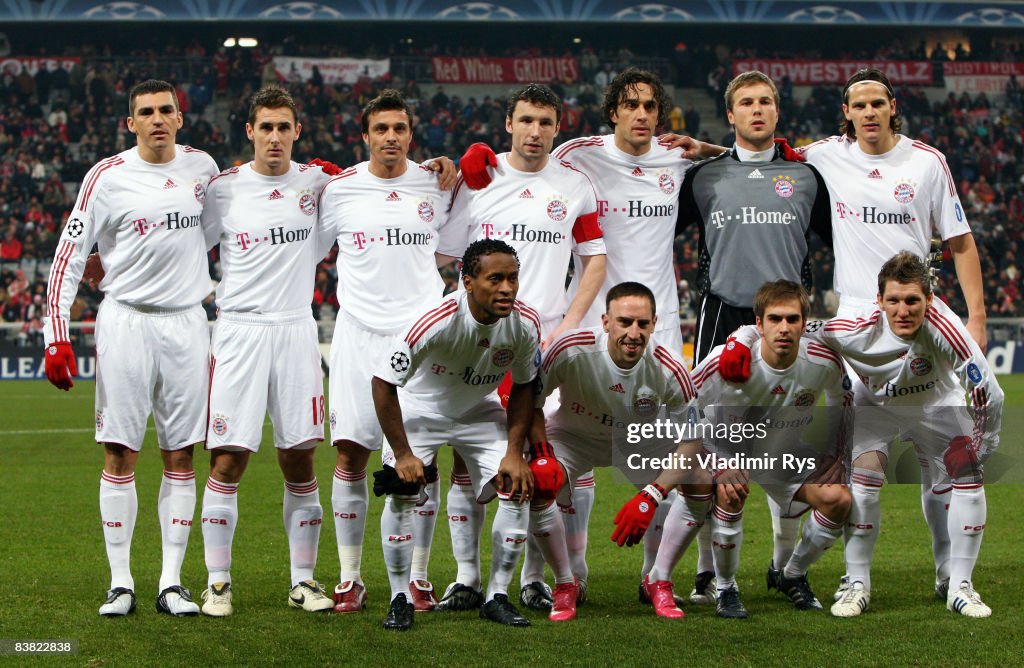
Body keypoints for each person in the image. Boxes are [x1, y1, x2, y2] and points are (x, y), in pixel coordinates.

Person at [725, 252, 1002, 618]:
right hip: (877, 407)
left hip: (936, 405)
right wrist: (741, 339)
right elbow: (790, 327)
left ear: (929, 300)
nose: (903, 310)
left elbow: (990, 393)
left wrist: (980, 448)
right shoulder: (851, 328)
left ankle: (959, 586)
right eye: (894, 300)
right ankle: (856, 582)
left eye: (912, 301)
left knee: (967, 473)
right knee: (865, 482)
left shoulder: (945, 328)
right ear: (879, 301)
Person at [43, 79, 218, 617]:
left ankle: (171, 583)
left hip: (188, 323)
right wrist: (57, 335)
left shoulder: (203, 169)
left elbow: (219, 229)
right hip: (126, 324)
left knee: (181, 454)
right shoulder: (107, 176)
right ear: (131, 122)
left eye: (167, 110)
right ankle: (121, 583)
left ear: (180, 119)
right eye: (146, 112)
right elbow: (70, 254)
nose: (158, 119)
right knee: (120, 451)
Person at [437, 83, 606, 612]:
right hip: (480, 342)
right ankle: (467, 577)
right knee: (469, 460)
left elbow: (594, 259)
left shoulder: (574, 185)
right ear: (508, 123)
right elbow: (444, 252)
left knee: (551, 460)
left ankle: (540, 576)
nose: (535, 132)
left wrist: (568, 327)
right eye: (526, 120)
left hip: (546, 340)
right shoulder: (479, 177)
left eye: (546, 122)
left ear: (559, 128)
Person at [675, 70, 832, 605]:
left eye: (766, 101)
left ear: (777, 113)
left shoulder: (808, 177)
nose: (757, 109)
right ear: (732, 114)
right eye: (747, 102)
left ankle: (785, 567)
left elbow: (841, 236)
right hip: (723, 314)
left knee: (789, 439)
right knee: (715, 449)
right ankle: (705, 571)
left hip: (786, 320)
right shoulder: (702, 177)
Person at [319, 89, 460, 614]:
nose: (391, 138)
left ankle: (420, 575)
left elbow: (454, 247)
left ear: (410, 134)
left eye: (400, 128)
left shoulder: (436, 183)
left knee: (424, 456)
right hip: (358, 336)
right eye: (381, 129)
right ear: (365, 136)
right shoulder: (340, 190)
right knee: (351, 453)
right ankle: (350, 576)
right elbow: (311, 248)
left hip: (421, 335)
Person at [197, 85, 336, 617]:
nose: (275, 136)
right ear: (250, 132)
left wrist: (439, 168)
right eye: (266, 127)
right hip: (239, 332)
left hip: (297, 332)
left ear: (297, 132)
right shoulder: (224, 190)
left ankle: (303, 581)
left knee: (299, 457)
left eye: (285, 127)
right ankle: (217, 583)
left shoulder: (320, 182)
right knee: (229, 459)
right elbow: (184, 242)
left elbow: (380, 179)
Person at [651, 280, 852, 619]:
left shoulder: (823, 361)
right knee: (732, 492)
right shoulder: (727, 362)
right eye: (775, 319)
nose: (784, 328)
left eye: (792, 319)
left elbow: (843, 401)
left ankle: (792, 574)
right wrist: (713, 463)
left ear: (806, 322)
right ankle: (726, 588)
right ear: (759, 324)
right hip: (726, 452)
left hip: (781, 454)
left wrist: (838, 454)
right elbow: (682, 408)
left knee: (840, 499)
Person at [373, 238, 541, 630]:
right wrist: (402, 454)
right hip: (421, 411)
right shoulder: (435, 320)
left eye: (513, 279)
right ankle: (400, 598)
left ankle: (497, 595)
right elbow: (383, 383)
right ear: (467, 281)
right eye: (495, 279)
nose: (507, 288)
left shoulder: (525, 323)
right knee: (402, 493)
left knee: (516, 486)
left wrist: (515, 452)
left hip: (479, 412)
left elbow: (524, 386)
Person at [528, 281, 705, 621]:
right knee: (539, 481)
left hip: (640, 440)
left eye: (642, 324)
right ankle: (566, 584)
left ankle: (659, 580)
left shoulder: (670, 368)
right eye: (625, 322)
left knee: (699, 479)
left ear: (655, 324)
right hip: (575, 437)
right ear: (606, 321)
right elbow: (531, 403)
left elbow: (693, 438)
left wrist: (652, 495)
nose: (633, 333)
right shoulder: (569, 348)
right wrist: (540, 452)